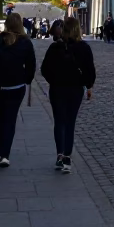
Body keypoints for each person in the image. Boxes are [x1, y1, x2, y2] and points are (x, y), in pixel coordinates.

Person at [40, 17, 95, 175]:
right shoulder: (83, 48)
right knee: (70, 122)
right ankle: (67, 156)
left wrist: (53, 80)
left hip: (57, 88)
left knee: (59, 121)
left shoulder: (55, 47)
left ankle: (60, 154)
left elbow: (44, 69)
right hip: (75, 89)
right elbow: (90, 71)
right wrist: (88, 85)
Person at [0, 12, 36, 168]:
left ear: (6, 24)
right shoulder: (26, 43)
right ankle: (5, 154)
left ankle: (1, 152)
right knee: (10, 119)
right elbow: (31, 65)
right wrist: (26, 79)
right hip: (17, 86)